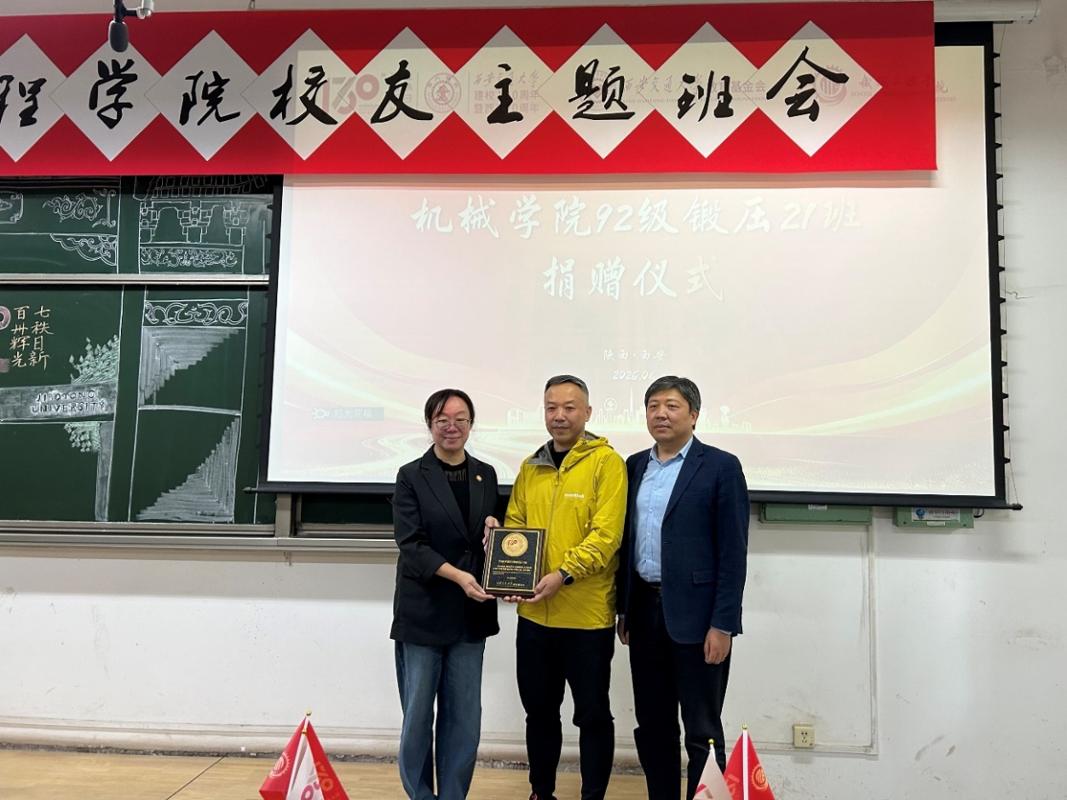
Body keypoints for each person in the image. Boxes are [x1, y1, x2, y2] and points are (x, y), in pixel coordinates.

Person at [487, 374, 627, 800]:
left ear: (588, 412)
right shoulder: (531, 467)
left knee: (593, 715)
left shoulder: (607, 464)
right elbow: (517, 526)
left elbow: (606, 536)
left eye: (569, 407)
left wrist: (563, 573)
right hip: (534, 615)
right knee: (539, 714)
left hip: (586, 617)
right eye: (551, 407)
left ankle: (592, 795)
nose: (559, 415)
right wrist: (510, 571)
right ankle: (540, 792)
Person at [616, 376, 749, 800]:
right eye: (653, 405)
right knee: (653, 725)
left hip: (699, 619)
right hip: (644, 612)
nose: (661, 414)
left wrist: (723, 624)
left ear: (694, 415)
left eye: (671, 406)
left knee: (702, 729)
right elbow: (626, 543)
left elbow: (733, 553)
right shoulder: (634, 465)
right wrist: (624, 609)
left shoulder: (721, 467)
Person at [391, 389, 500, 800]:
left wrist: (495, 529)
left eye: (460, 419)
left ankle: (453, 795)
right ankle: (421, 795)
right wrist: (458, 576)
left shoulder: (486, 474)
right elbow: (411, 544)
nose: (452, 427)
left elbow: (490, 535)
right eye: (442, 420)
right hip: (424, 610)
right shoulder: (410, 475)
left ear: (471, 424)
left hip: (472, 613)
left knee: (464, 718)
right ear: (429, 424)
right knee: (418, 716)